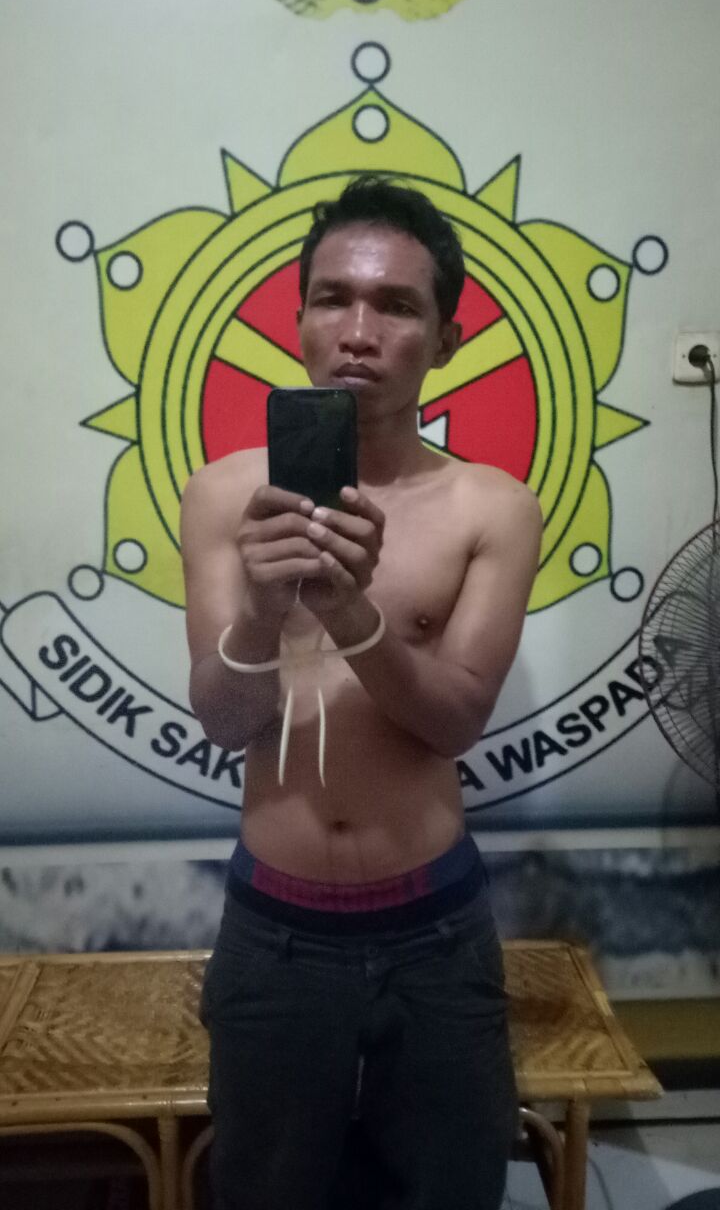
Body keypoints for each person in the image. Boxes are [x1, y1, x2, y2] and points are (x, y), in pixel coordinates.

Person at [180, 175, 542, 1210]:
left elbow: (455, 719)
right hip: (273, 931)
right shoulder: (224, 494)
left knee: (450, 1190)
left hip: (435, 932)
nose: (357, 330)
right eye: (333, 297)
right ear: (296, 320)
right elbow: (223, 719)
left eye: (395, 306)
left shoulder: (492, 507)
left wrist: (348, 612)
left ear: (447, 339)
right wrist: (264, 610)